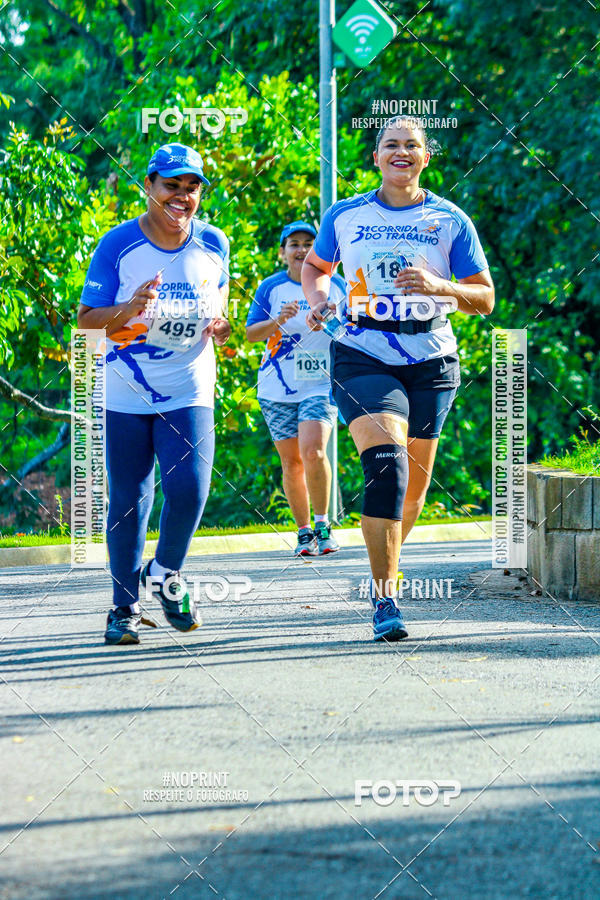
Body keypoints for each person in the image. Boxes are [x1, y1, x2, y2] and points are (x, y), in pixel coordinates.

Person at [302, 116, 494, 641]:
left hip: (431, 355)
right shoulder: (346, 215)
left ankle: (386, 566)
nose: (401, 152)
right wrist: (320, 301)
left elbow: (486, 297)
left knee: (414, 492)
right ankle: (386, 600)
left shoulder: (449, 219)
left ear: (425, 158)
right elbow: (316, 268)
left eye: (412, 145)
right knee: (386, 468)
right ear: (376, 157)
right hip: (362, 349)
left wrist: (440, 284)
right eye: (391, 144)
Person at [77, 142, 231, 645]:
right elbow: (86, 325)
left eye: (192, 188)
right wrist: (130, 306)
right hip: (126, 390)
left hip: (189, 386)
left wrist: (221, 328)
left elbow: (214, 310)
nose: (182, 197)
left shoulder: (215, 244)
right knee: (129, 498)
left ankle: (165, 575)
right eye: (171, 186)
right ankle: (123, 607)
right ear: (149, 187)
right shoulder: (117, 245)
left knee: (190, 488)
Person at [245, 221, 345, 556]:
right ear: (282, 252)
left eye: (308, 243)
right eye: (294, 244)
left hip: (321, 383)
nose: (301, 250)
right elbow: (251, 334)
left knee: (314, 450)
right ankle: (304, 532)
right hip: (277, 387)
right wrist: (277, 321)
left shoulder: (336, 285)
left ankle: (323, 525)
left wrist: (331, 321)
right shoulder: (270, 288)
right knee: (292, 463)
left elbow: (353, 333)